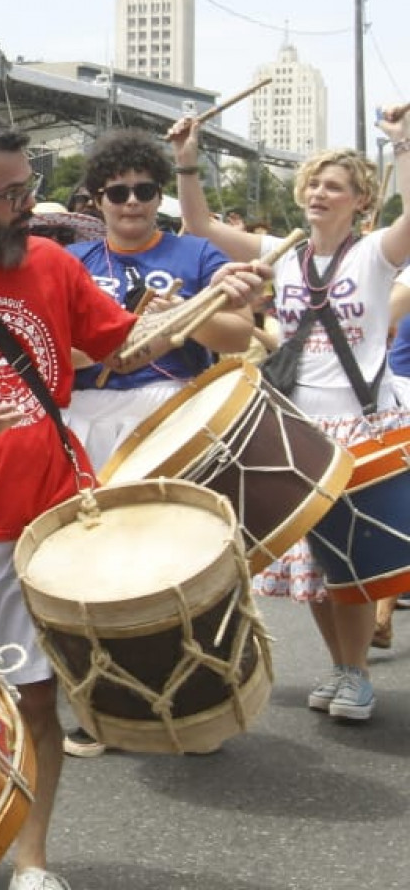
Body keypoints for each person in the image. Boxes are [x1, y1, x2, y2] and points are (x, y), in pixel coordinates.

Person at [0, 118, 265, 890]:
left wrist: (207, 304)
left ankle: (32, 862)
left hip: (45, 529)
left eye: (28, 188)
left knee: (38, 702)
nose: (28, 207)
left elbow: (124, 349)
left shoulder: (50, 264)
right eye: (11, 195)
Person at [171, 109, 410, 722]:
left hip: (360, 424)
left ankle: (357, 674)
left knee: (352, 561)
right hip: (298, 426)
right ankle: (341, 666)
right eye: (314, 184)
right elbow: (198, 225)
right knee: (315, 566)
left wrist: (403, 144)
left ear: (360, 201)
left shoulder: (373, 255)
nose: (319, 193)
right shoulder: (285, 254)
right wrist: (187, 160)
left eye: (335, 186)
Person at [54, 128, 255, 757]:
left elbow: (238, 334)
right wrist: (118, 339)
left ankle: (199, 701)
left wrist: (181, 316)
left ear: (158, 195)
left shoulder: (196, 254)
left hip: (171, 412)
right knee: (95, 565)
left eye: (145, 190)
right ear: (97, 199)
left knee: (180, 563)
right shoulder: (73, 263)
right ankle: (105, 705)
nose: (133, 202)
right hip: (88, 416)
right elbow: (54, 346)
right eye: (119, 193)